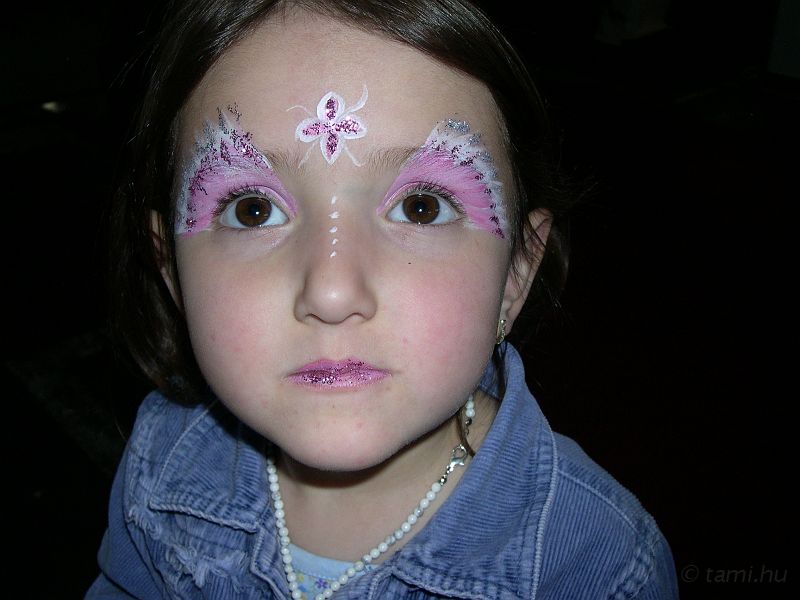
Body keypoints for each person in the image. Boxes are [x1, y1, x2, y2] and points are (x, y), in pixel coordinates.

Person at [87, 0, 679, 598]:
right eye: (253, 210)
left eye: (421, 207)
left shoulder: (599, 569)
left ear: (517, 272)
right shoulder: (158, 464)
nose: (332, 291)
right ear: (171, 269)